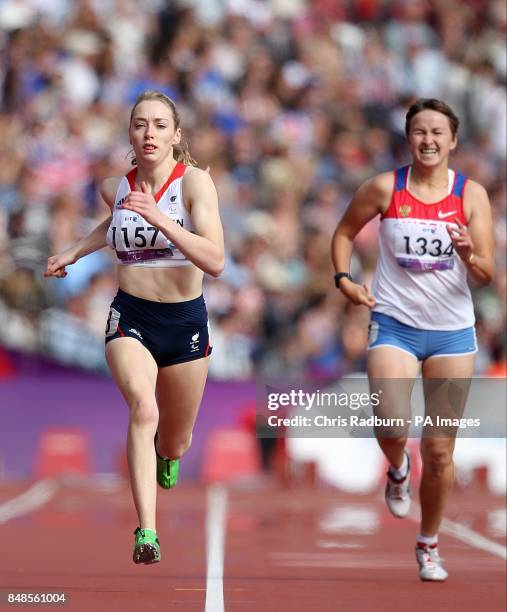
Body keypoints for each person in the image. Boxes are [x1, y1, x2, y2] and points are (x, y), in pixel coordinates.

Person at [45, 90, 225, 565]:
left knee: (175, 439)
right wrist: (72, 252)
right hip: (132, 316)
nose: (150, 133)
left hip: (185, 321)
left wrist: (162, 220)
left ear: (176, 135)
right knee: (144, 409)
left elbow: (217, 260)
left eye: (160, 125)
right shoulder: (116, 185)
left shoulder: (195, 185)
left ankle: (168, 455)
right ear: (130, 133)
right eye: (141, 124)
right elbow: (113, 222)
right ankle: (147, 530)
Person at [331, 98, 494, 581]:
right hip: (395, 326)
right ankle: (398, 467)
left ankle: (429, 544)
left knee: (442, 451)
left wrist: (468, 254)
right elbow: (343, 232)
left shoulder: (471, 196)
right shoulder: (384, 188)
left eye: (437, 133)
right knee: (393, 422)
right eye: (420, 132)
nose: (428, 140)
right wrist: (344, 279)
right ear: (409, 138)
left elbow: (486, 274)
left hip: (451, 335)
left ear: (453, 141)